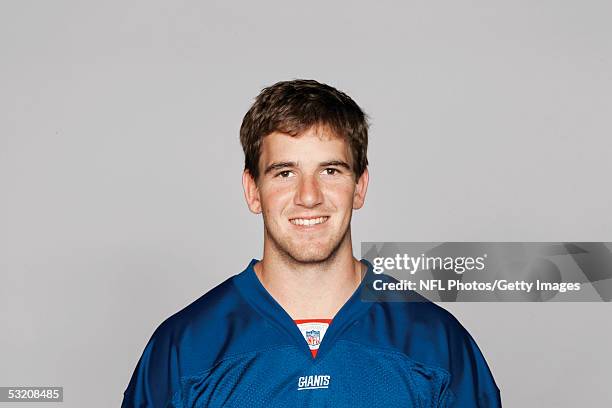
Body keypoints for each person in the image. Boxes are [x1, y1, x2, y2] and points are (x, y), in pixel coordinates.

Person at [121, 79, 501, 407]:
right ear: (253, 190)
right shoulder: (184, 349)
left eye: (330, 171)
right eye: (285, 173)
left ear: (360, 186)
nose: (308, 196)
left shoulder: (435, 344)